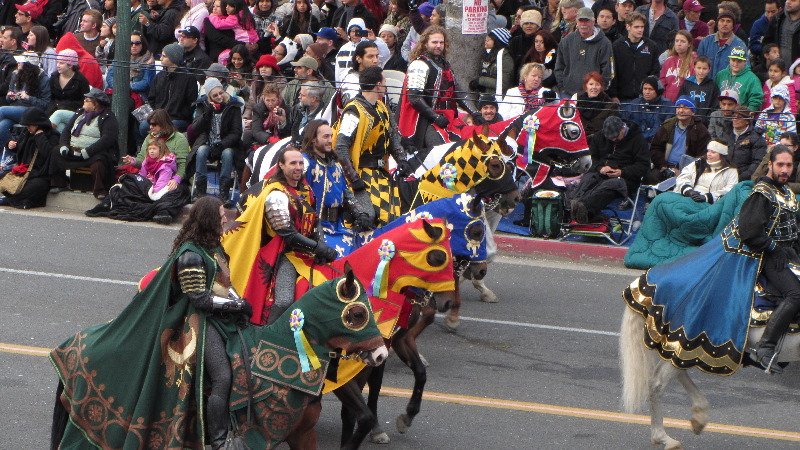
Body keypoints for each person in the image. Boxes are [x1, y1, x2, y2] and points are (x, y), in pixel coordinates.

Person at [53, 196, 251, 449]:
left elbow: (223, 284)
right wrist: (237, 305)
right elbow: (199, 300)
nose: (226, 218)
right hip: (195, 320)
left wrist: (239, 300)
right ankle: (220, 440)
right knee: (223, 376)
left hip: (216, 316)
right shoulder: (191, 256)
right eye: (222, 214)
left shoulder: (213, 248)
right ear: (209, 219)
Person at [234, 147, 338, 324]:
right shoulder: (276, 194)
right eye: (292, 163)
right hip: (284, 254)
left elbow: (315, 221)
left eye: (300, 163)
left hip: (307, 252)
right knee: (284, 301)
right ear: (281, 165)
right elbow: (287, 234)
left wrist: (321, 244)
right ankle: (269, 335)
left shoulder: (306, 190)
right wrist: (318, 248)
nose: (298, 167)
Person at [741, 146, 800, 373]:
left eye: (789, 165)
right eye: (781, 165)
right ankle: (765, 347)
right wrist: (774, 249)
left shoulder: (786, 192)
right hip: (766, 256)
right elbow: (750, 232)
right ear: (771, 165)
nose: (785, 170)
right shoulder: (762, 192)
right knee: (795, 294)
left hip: (787, 254)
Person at [336, 66, 407, 227]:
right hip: (360, 174)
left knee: (394, 216)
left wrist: (401, 159)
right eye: (384, 82)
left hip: (381, 173)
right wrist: (353, 178)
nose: (386, 86)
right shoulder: (353, 111)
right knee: (370, 215)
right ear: (378, 85)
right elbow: (341, 147)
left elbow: (393, 134)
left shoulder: (382, 107)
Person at [398, 25, 478, 149]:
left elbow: (457, 91)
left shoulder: (446, 64)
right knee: (440, 149)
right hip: (426, 120)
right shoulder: (419, 64)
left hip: (449, 117)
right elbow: (414, 98)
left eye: (441, 42)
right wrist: (435, 117)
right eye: (434, 42)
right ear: (425, 44)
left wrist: (475, 113)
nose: (438, 45)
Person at [302, 119, 370, 256]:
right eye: (325, 137)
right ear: (314, 139)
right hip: (315, 229)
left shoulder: (336, 165)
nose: (330, 140)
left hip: (337, 226)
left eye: (331, 136)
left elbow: (346, 194)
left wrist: (360, 213)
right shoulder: (304, 163)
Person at [569, 115, 649, 224]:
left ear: (623, 128)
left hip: (625, 178)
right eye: (610, 138)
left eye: (616, 136)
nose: (613, 139)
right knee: (587, 180)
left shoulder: (637, 140)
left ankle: (585, 210)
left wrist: (622, 172)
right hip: (600, 173)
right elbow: (591, 159)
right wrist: (600, 168)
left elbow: (643, 166)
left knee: (608, 187)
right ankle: (572, 207)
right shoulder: (599, 137)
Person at [49, 89, 119, 199]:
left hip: (92, 152)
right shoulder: (79, 113)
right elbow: (67, 131)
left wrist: (88, 151)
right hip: (73, 149)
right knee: (56, 152)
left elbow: (108, 139)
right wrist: (64, 145)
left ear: (96, 104)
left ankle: (100, 190)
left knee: (100, 161)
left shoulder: (108, 117)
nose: (84, 102)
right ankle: (58, 183)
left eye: (87, 100)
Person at [190, 77, 243, 205]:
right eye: (215, 95)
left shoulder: (233, 106)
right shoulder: (203, 105)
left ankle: (224, 192)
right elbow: (195, 128)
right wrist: (206, 115)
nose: (219, 96)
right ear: (209, 96)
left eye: (221, 93)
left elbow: (236, 132)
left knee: (227, 153)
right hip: (208, 142)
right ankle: (200, 190)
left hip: (227, 144)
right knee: (201, 151)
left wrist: (223, 143)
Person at [0, 107, 59, 209]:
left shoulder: (52, 136)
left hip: (40, 174)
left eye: (29, 125)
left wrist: (40, 137)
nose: (28, 128)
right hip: (24, 170)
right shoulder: (27, 134)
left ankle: (11, 200)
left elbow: (49, 154)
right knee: (3, 178)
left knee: (34, 187)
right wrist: (12, 145)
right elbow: (22, 151)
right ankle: (15, 199)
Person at [554, 7, 614, 97]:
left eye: (587, 21)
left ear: (594, 22)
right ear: (576, 22)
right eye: (580, 21)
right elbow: (559, 66)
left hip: (593, 95)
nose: (583, 24)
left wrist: (600, 90)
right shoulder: (566, 40)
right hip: (568, 94)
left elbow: (608, 71)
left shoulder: (604, 43)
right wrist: (562, 87)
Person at [648, 95, 710, 183]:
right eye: (678, 107)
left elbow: (702, 156)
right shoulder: (667, 126)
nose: (681, 110)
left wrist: (685, 171)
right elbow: (655, 148)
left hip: (689, 170)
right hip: (665, 167)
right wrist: (664, 167)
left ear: (693, 112)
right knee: (651, 177)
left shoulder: (700, 130)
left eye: (685, 107)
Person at [144, 42, 197, 135]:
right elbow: (152, 98)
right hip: (159, 118)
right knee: (143, 127)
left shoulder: (188, 78)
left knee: (171, 126)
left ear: (173, 58)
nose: (160, 58)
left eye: (164, 56)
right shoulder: (159, 76)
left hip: (178, 119)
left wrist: (178, 114)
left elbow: (191, 103)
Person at [0, 52, 51, 148]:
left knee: (1, 110)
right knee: (2, 126)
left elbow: (45, 104)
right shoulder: (15, 74)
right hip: (15, 109)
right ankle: (11, 152)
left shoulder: (42, 78)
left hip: (32, 110)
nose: (17, 63)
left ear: (28, 65)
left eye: (21, 62)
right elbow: (8, 98)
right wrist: (10, 96)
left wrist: (28, 98)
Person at [608, 12, 661, 104]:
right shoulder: (617, 46)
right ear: (628, 27)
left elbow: (655, 72)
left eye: (642, 27)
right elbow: (612, 71)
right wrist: (613, 95)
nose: (640, 30)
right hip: (622, 97)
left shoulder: (652, 46)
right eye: (636, 27)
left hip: (644, 98)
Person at [672, 139, 738, 203]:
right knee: (664, 198)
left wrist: (707, 197)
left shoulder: (731, 171)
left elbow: (730, 190)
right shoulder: (699, 163)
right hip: (688, 197)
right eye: (708, 151)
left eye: (713, 152)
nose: (709, 154)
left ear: (721, 155)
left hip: (710, 204)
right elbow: (683, 177)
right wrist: (688, 190)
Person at [46, 49, 91, 133]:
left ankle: (42, 133)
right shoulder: (54, 77)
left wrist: (64, 105)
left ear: (70, 65)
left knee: (58, 115)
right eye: (57, 62)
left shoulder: (81, 80)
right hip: (54, 111)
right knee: (60, 127)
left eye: (61, 63)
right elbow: (51, 98)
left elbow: (84, 102)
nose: (58, 65)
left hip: (74, 113)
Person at [620, 76, 675, 142]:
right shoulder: (633, 105)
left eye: (650, 89)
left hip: (658, 144)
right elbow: (625, 124)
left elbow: (669, 129)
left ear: (657, 90)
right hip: (637, 143)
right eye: (645, 89)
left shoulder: (668, 106)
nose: (647, 92)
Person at [696, 8, 748, 78]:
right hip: (706, 86)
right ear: (717, 24)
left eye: (728, 21)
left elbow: (745, 70)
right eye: (722, 20)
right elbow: (696, 65)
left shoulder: (740, 45)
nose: (725, 24)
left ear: (733, 26)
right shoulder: (705, 41)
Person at [714, 46, 762, 113]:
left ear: (745, 61)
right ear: (729, 60)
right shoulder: (720, 75)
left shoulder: (752, 79)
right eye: (733, 60)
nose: (735, 64)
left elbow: (756, 100)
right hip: (720, 115)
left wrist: (746, 114)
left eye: (739, 61)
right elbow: (714, 94)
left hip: (740, 117)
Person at [471, 28, 513, 104]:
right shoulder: (487, 55)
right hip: (484, 96)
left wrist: (480, 81)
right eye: (487, 37)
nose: (486, 40)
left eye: (490, 39)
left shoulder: (505, 58)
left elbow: (503, 83)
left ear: (497, 42)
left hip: (497, 99)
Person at [574, 70, 618, 142]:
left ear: (601, 87)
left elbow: (612, 129)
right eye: (591, 84)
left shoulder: (610, 105)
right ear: (586, 86)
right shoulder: (576, 103)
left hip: (601, 143)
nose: (594, 87)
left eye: (597, 84)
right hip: (579, 142)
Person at [730, 105, 768, 181]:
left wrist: (742, 177)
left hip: (744, 178)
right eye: (734, 116)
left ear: (747, 121)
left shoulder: (757, 138)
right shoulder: (726, 133)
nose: (735, 119)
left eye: (739, 117)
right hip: (726, 176)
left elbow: (757, 162)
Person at [678, 55, 719, 126]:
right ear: (694, 68)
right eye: (699, 68)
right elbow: (680, 102)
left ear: (709, 69)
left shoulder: (713, 86)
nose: (701, 71)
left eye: (704, 68)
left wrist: (706, 120)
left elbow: (715, 106)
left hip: (704, 123)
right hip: (687, 121)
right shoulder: (687, 83)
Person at [660, 30, 696, 102]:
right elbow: (662, 83)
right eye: (677, 41)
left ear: (689, 44)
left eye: (682, 41)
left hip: (686, 103)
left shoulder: (695, 62)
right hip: (668, 103)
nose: (679, 44)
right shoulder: (668, 61)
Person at [762, 0, 800, 67]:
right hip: (779, 70)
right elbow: (766, 42)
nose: (788, 2)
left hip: (797, 71)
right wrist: (771, 54)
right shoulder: (778, 19)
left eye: (793, 0)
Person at [508, 9, 542, 76]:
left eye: (532, 23)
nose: (528, 26)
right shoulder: (515, 41)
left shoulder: (543, 40)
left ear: (538, 26)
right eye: (526, 23)